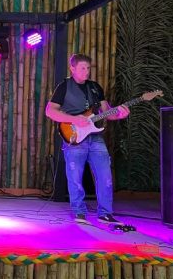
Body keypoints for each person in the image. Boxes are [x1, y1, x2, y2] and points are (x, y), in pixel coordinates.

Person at [45, 53, 129, 224]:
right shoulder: (64, 86)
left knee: (105, 177)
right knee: (75, 178)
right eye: (82, 68)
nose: (86, 71)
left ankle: (105, 213)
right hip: (74, 136)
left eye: (88, 68)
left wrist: (119, 114)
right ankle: (79, 212)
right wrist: (74, 119)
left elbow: (106, 112)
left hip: (95, 137)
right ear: (72, 68)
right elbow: (50, 111)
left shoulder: (95, 87)